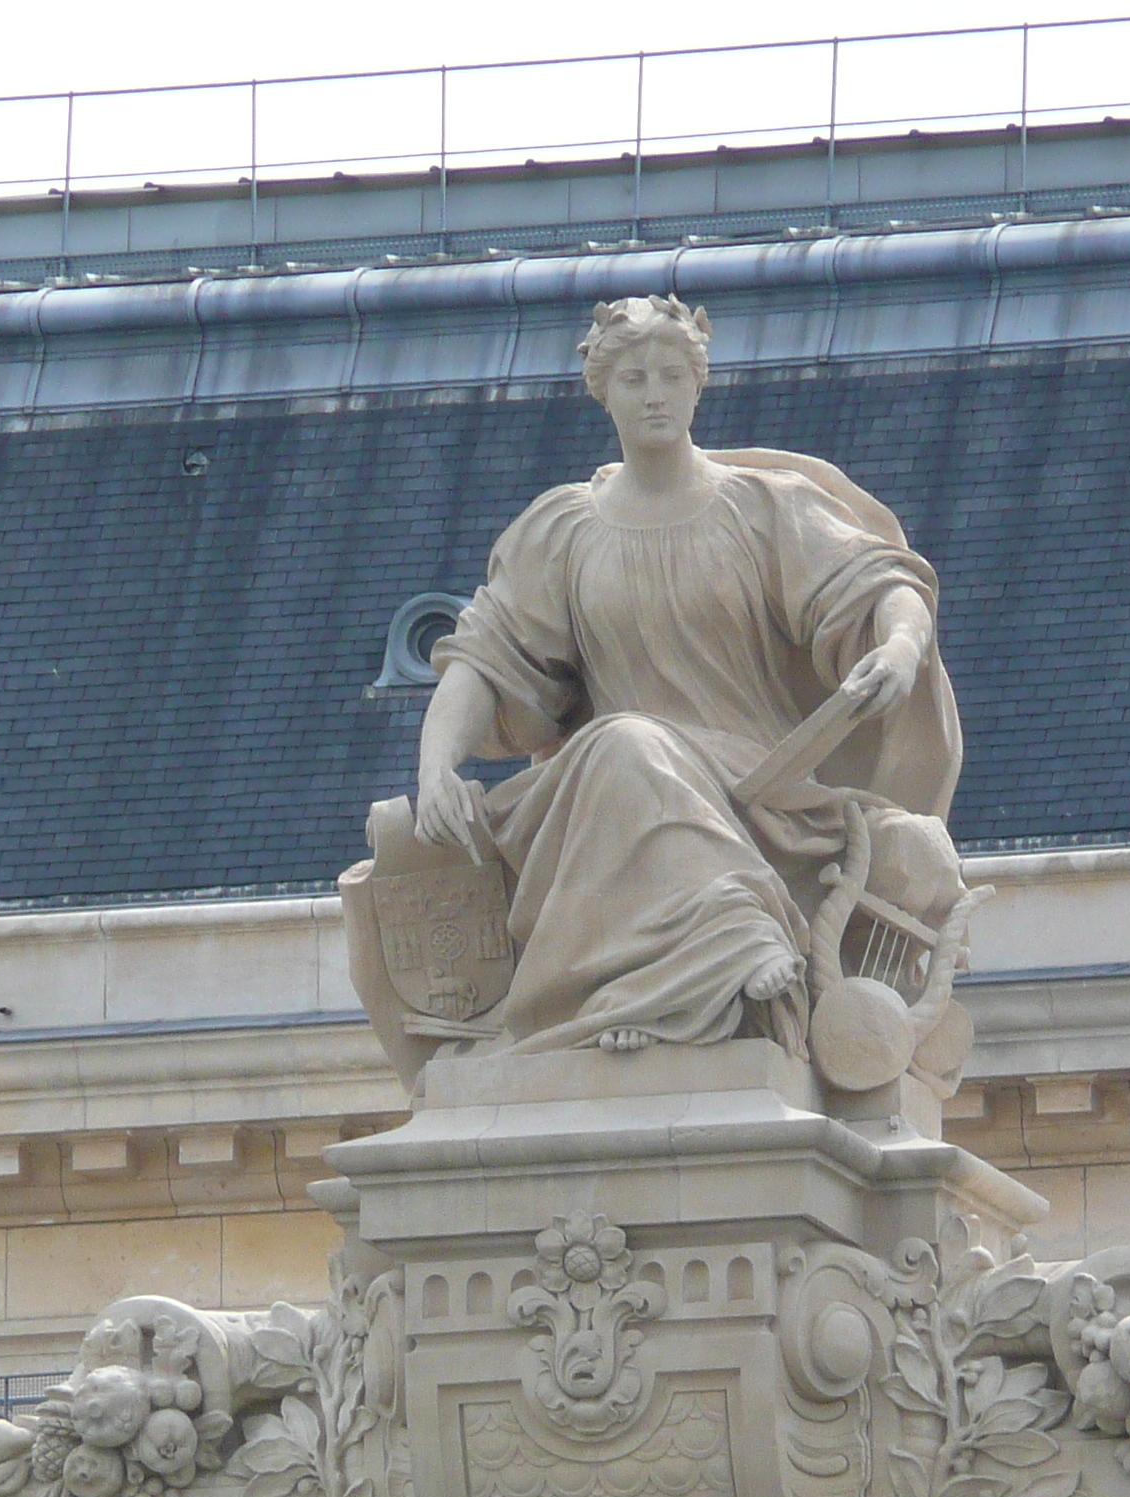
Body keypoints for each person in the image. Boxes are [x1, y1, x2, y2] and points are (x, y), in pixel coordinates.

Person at [385, 294, 965, 1059]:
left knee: (626, 748)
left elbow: (883, 584)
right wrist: (435, 769)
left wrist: (896, 648)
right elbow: (485, 661)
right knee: (625, 745)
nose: (654, 394)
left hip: (761, 789)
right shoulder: (564, 529)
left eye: (668, 375)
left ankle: (666, 977)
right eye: (632, 378)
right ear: (604, 393)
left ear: (697, 386)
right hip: (605, 793)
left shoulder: (764, 507)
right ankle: (708, 950)